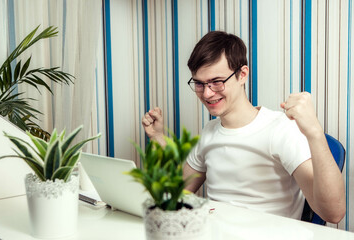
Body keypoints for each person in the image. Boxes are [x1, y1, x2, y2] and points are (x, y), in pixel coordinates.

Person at [141, 31, 345, 223]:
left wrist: (314, 133)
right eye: (200, 84)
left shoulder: (280, 129)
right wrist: (158, 139)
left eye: (217, 82)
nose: (207, 94)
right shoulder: (209, 131)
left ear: (242, 74)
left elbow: (333, 213)